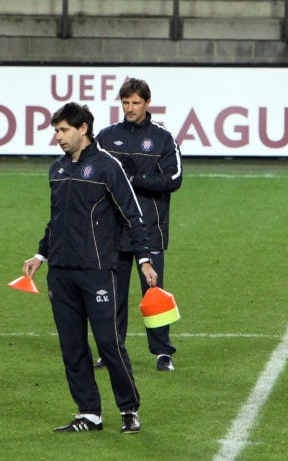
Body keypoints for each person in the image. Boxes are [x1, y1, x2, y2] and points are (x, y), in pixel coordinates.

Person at [22, 102, 157, 434]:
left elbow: (132, 215)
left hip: (97, 270)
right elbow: (57, 219)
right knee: (72, 347)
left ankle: (128, 409)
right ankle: (89, 413)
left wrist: (144, 259)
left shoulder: (107, 167)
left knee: (109, 344)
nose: (58, 137)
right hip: (61, 272)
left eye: (64, 130)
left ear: (83, 129)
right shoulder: (57, 169)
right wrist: (41, 255)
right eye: (56, 130)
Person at [95, 78, 183, 372]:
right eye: (125, 102)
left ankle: (162, 352)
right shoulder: (106, 137)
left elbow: (174, 179)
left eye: (135, 103)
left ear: (147, 103)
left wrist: (137, 180)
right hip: (114, 231)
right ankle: (112, 351)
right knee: (113, 294)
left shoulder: (162, 138)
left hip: (150, 229)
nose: (130, 108)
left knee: (153, 291)